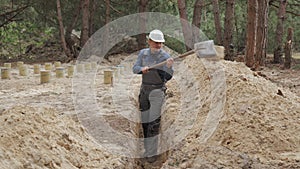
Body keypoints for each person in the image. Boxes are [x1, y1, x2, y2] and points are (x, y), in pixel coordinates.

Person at [132, 29, 174, 163]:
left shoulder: (166, 57)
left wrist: (168, 68)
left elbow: (168, 77)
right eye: (156, 43)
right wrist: (141, 70)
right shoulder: (143, 54)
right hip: (144, 91)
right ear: (149, 42)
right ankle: (146, 148)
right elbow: (135, 68)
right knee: (145, 121)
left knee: (154, 122)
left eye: (160, 43)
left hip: (157, 92)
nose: (158, 46)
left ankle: (152, 153)